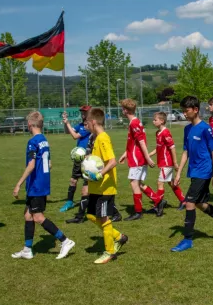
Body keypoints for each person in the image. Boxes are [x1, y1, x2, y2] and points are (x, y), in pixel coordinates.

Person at [171, 96, 213, 252]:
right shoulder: (187, 129)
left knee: (189, 203)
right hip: (193, 170)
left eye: (187, 111)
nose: (184, 114)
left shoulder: (205, 128)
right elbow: (186, 151)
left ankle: (187, 239)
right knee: (200, 204)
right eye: (183, 111)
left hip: (204, 171)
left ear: (195, 110)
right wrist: (179, 172)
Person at [10, 111, 75, 260]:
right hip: (41, 183)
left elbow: (31, 165)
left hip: (36, 185)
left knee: (38, 217)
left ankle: (65, 241)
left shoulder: (32, 142)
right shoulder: (44, 140)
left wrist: (18, 184)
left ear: (29, 124)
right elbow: (50, 164)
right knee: (28, 215)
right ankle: (27, 249)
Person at [79, 108, 128, 264]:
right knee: (91, 215)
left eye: (87, 122)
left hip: (105, 188)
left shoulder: (103, 138)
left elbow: (112, 162)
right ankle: (119, 237)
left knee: (103, 218)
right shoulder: (95, 138)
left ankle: (109, 252)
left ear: (93, 122)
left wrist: (99, 175)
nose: (86, 125)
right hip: (96, 187)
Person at [119, 98, 162, 220]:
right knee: (138, 183)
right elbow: (134, 143)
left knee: (134, 183)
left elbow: (142, 142)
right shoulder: (134, 122)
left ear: (126, 110)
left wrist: (148, 158)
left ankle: (138, 212)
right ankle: (158, 200)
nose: (122, 110)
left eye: (122, 108)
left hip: (137, 159)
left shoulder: (134, 123)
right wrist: (125, 154)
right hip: (136, 157)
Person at [147, 111, 186, 210]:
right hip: (162, 162)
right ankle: (183, 200)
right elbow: (159, 147)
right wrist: (149, 155)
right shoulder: (158, 133)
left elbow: (172, 148)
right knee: (171, 183)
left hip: (167, 163)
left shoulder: (166, 132)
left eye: (155, 120)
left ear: (162, 121)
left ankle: (157, 205)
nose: (153, 122)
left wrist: (175, 163)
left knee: (160, 183)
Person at [60, 105, 92, 212]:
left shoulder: (89, 126)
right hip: (79, 158)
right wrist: (65, 122)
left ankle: (88, 203)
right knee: (73, 180)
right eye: (82, 112)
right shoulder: (80, 125)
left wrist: (68, 123)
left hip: (88, 157)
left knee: (87, 182)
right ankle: (69, 202)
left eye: (85, 112)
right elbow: (68, 131)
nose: (83, 114)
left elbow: (75, 136)